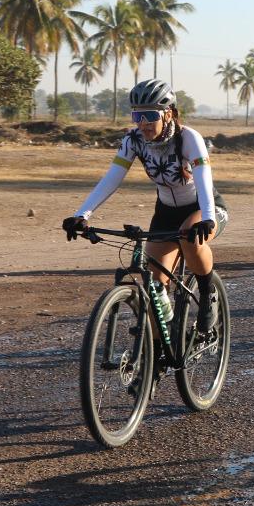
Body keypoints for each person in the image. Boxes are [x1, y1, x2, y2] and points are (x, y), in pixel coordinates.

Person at [63, 79, 228, 332]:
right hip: (165, 213)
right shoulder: (133, 140)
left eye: (150, 115)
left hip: (204, 207)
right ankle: (160, 348)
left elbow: (205, 179)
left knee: (191, 239)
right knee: (154, 287)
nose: (143, 123)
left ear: (168, 113)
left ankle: (207, 295)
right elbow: (112, 179)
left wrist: (207, 217)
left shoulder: (188, 138)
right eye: (137, 115)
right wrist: (81, 214)